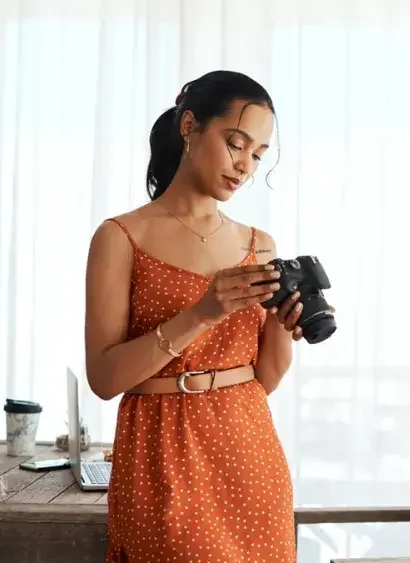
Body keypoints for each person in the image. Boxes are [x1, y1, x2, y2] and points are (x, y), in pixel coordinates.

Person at [84, 70, 305, 562]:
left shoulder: (259, 245)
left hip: (250, 451)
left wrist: (284, 330)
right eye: (236, 144)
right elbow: (103, 377)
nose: (245, 165)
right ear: (189, 126)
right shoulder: (120, 237)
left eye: (258, 154)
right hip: (162, 452)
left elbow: (264, 378)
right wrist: (204, 312)